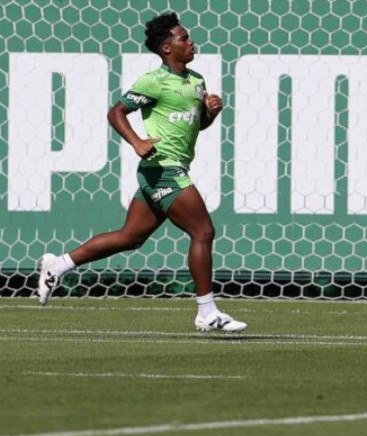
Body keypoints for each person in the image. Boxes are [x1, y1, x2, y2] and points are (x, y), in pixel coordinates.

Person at [37, 12, 246, 333]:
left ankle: (58, 264)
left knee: (130, 237)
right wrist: (136, 141)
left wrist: (210, 114)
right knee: (203, 232)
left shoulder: (196, 81)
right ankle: (207, 312)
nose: (191, 42)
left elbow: (197, 125)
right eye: (184, 38)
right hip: (162, 169)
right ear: (166, 47)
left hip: (162, 170)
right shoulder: (153, 81)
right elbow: (116, 112)